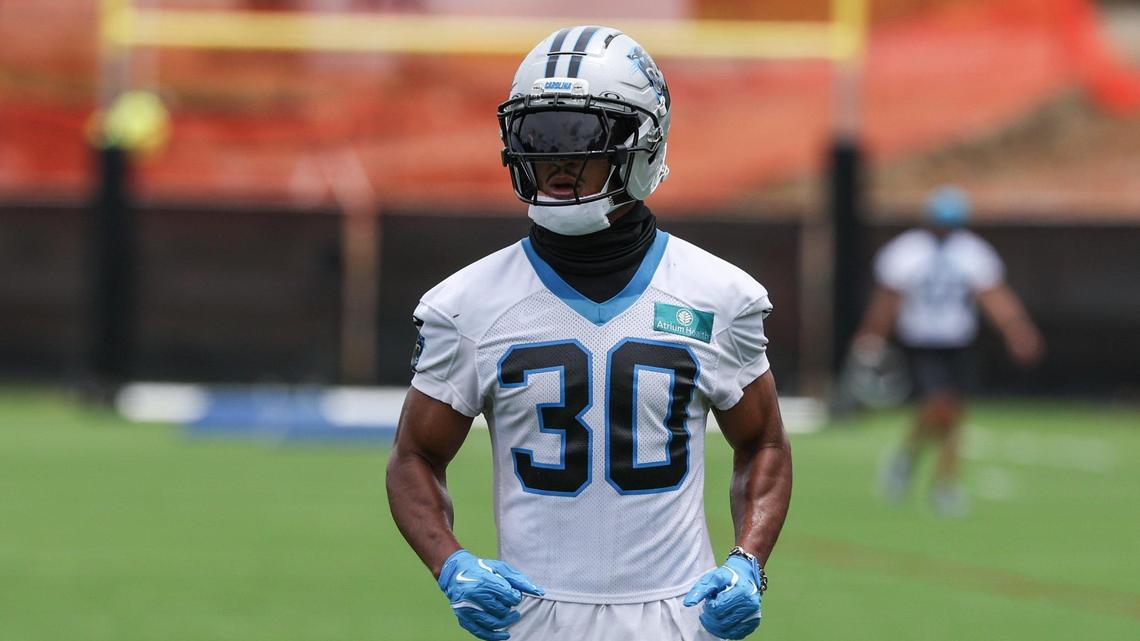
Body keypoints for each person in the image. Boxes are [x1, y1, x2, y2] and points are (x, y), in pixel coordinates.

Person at [385, 26, 792, 641]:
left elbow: (763, 443)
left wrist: (748, 562)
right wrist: (452, 564)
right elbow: (415, 457)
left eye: (581, 136)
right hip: (531, 619)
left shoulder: (717, 296)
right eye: (537, 136)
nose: (555, 160)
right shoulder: (466, 305)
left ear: (644, 142)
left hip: (681, 618)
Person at [854, 186, 1043, 516]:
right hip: (922, 340)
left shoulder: (971, 252)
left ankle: (935, 478)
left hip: (958, 340)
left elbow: (993, 295)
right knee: (941, 405)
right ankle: (928, 475)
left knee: (954, 415)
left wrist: (1017, 329)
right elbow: (887, 299)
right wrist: (872, 336)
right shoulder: (906, 251)